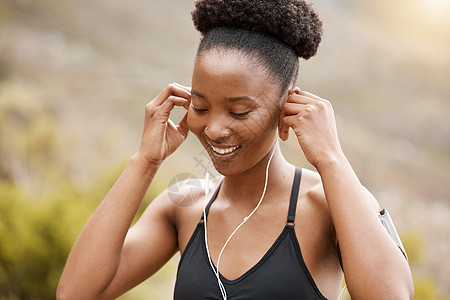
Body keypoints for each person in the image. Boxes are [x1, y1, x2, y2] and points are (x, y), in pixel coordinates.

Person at [57, 0, 414, 299]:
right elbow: (75, 294)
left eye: (239, 111)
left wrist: (332, 159)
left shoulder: (327, 205)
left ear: (287, 107)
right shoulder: (183, 207)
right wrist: (144, 161)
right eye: (200, 107)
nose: (213, 128)